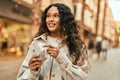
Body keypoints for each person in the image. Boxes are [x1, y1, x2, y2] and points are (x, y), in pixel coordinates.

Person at [17, 3, 90, 80]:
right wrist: (33, 71)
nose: (50, 19)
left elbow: (82, 77)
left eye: (56, 16)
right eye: (48, 16)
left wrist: (61, 59)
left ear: (65, 20)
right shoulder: (37, 43)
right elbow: (21, 78)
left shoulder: (76, 45)